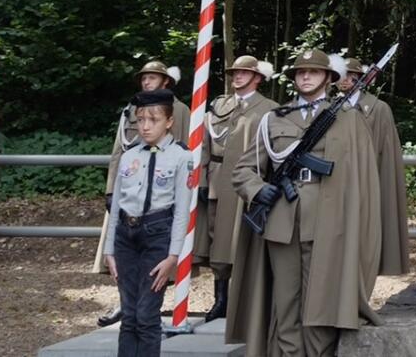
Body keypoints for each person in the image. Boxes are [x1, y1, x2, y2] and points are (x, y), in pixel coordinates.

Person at [225, 48, 380, 357]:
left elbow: (361, 177)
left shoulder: (347, 118)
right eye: (300, 72)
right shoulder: (275, 119)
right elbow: (243, 170)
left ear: (328, 78)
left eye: (313, 71)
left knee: (321, 304)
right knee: (286, 303)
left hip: (328, 223)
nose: (306, 76)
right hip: (282, 221)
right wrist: (257, 190)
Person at [96, 60, 190, 327]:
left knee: (151, 284)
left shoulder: (179, 111)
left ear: (165, 81)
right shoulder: (131, 110)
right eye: (144, 77)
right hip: (129, 192)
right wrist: (110, 187)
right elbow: (120, 150)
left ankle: (147, 308)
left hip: (160, 203)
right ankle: (124, 304)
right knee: (123, 262)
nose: (146, 81)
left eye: (152, 77)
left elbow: (182, 148)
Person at [196, 55, 279, 323]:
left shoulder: (269, 108)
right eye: (235, 72)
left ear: (257, 77)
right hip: (217, 177)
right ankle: (221, 298)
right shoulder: (220, 105)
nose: (237, 77)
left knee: (244, 239)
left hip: (250, 182)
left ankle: (248, 300)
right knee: (215, 236)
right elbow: (205, 141)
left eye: (244, 73)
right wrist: (201, 178)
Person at [333, 52, 410, 277]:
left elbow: (387, 154)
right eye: (341, 75)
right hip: (337, 184)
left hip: (369, 183)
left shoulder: (378, 109)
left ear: (361, 78)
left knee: (364, 240)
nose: (345, 79)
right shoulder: (330, 107)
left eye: (351, 75)